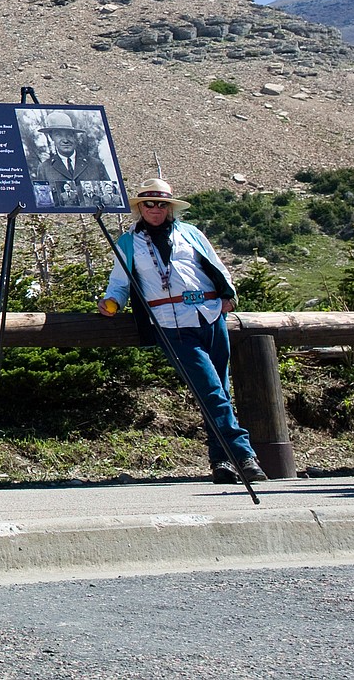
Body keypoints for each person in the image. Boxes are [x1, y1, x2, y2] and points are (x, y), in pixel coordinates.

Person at [97, 178, 269, 485]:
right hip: (170, 324)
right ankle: (243, 456)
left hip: (210, 315)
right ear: (140, 208)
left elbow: (216, 266)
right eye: (149, 203)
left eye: (162, 204)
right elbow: (120, 283)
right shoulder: (127, 243)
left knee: (218, 391)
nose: (155, 209)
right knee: (211, 390)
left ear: (170, 207)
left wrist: (228, 295)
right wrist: (112, 302)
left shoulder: (190, 233)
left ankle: (221, 463)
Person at [32, 111, 111, 186]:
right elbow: (43, 198)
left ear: (74, 136)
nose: (65, 140)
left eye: (69, 135)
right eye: (58, 135)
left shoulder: (95, 164)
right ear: (51, 137)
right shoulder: (44, 168)